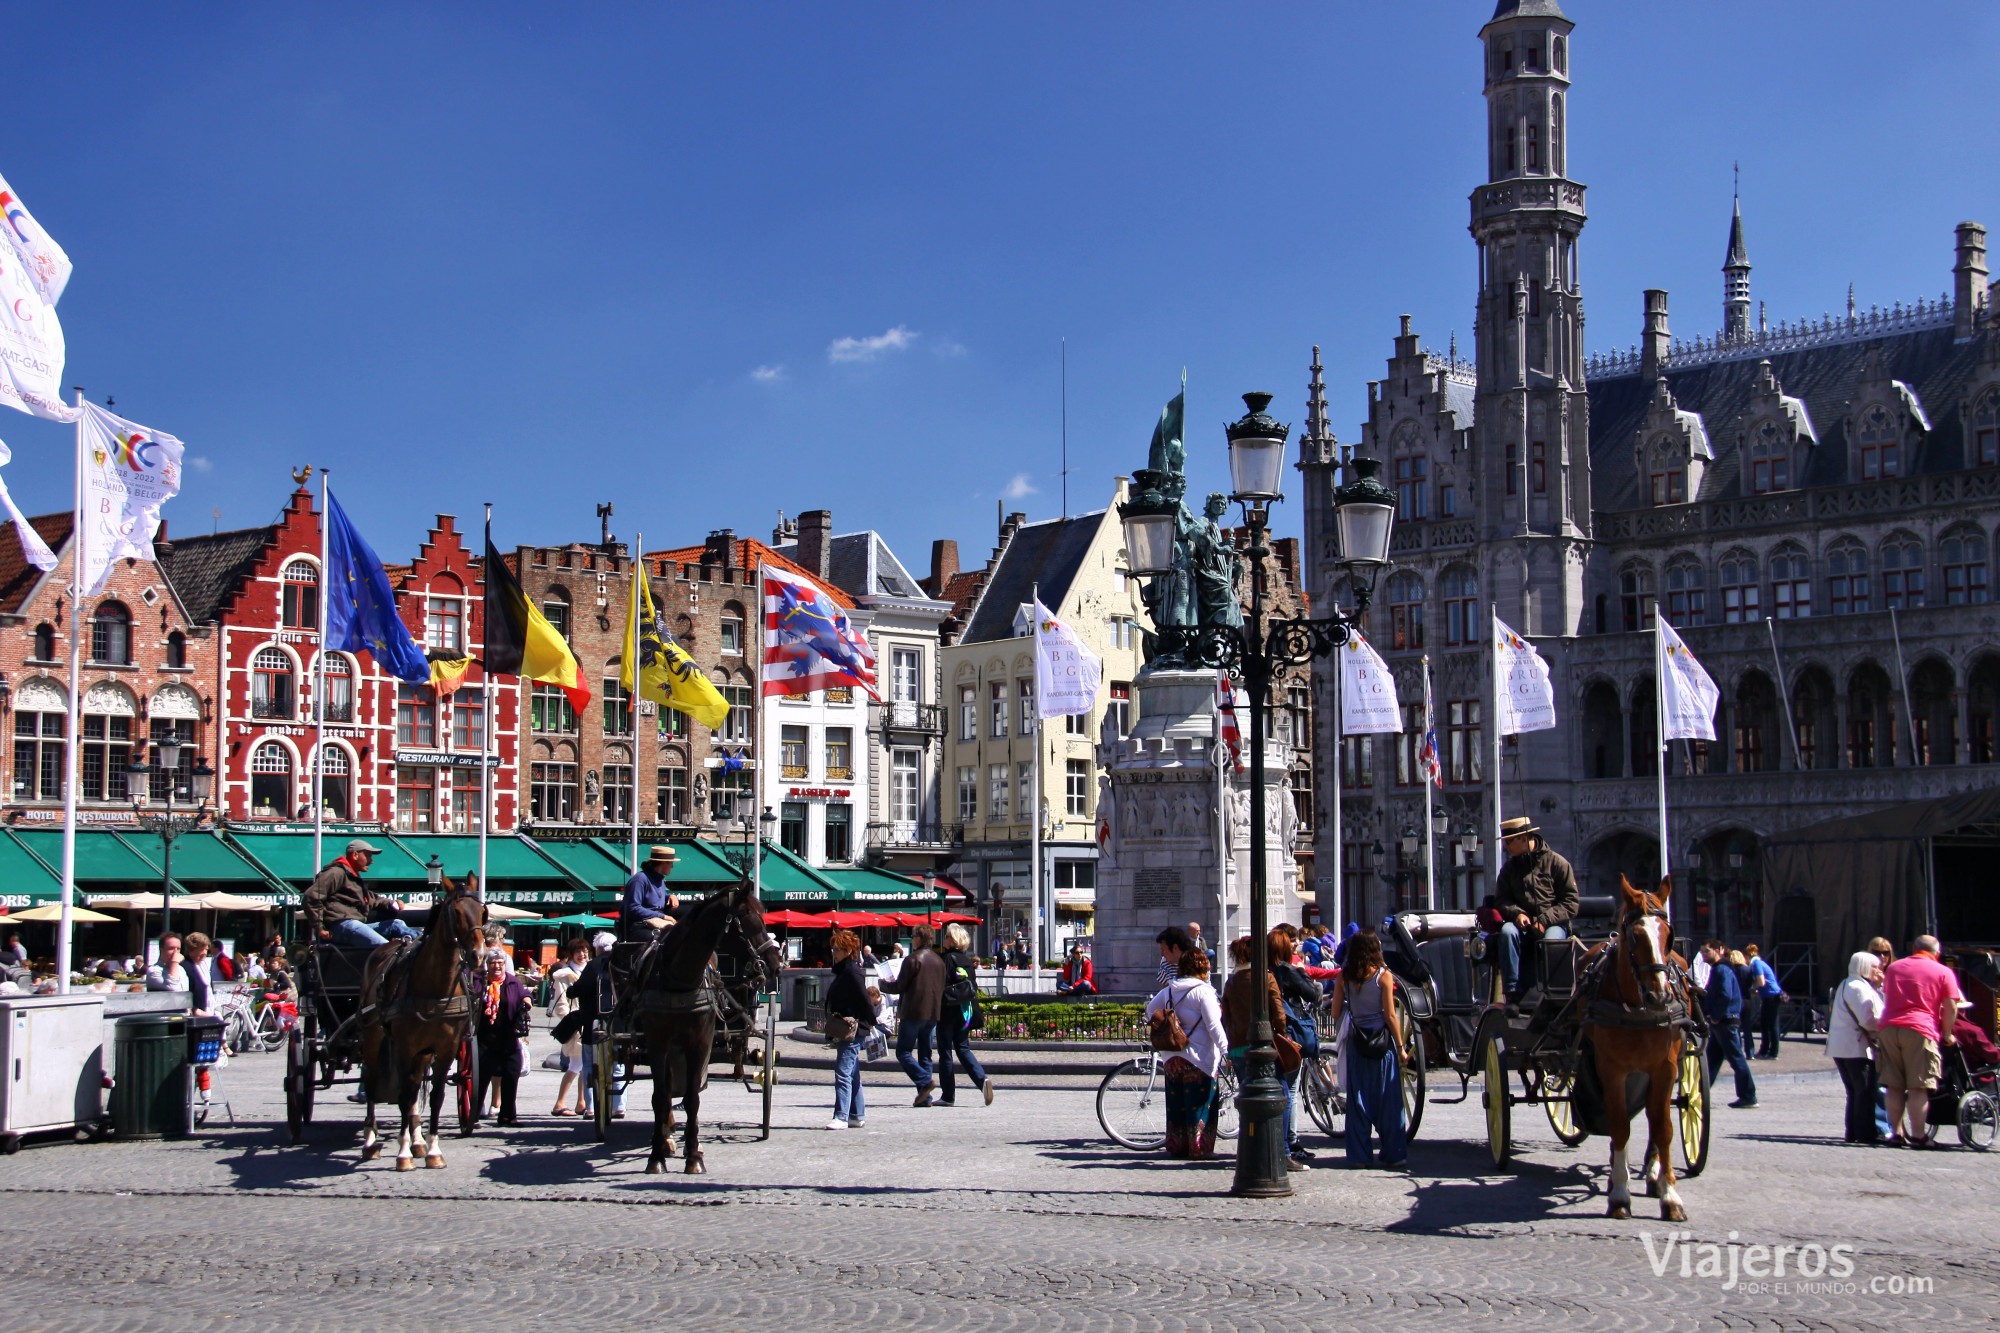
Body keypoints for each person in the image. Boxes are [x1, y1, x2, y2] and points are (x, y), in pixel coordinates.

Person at [1327, 928, 1408, 1168]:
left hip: (1357, 1041)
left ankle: (1360, 1155)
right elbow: (1391, 1016)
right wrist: (1401, 1046)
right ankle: (1394, 1152)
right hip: (1381, 1043)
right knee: (1388, 1100)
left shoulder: (1344, 976)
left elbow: (1334, 1012)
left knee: (1358, 1099)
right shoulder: (1384, 976)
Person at [1219, 935, 1299, 1171]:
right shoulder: (1266, 977)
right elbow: (1278, 1013)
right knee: (1280, 1096)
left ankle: (1251, 1147)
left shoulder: (1231, 982)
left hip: (1239, 1048)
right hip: (1265, 1047)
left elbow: (1227, 1017)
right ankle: (1281, 1151)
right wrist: (1281, 1036)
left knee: (1248, 1099)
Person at [1877, 934, 1963, 1148]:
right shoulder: (1943, 971)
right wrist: (1948, 1033)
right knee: (1918, 1086)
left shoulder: (1894, 968)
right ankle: (1918, 1136)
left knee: (1893, 1085)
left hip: (1888, 1028)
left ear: (1914, 948)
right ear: (1937, 953)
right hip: (1919, 1029)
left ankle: (1896, 1133)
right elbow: (1951, 1006)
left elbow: (1887, 996)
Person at [1145, 948, 1228, 1158]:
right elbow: (1214, 1026)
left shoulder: (1169, 991)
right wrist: (1226, 1050)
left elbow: (1150, 1011)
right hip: (1199, 1058)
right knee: (1200, 1105)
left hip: (1172, 1056)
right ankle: (1199, 1149)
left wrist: (1173, 1022)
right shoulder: (1203, 991)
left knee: (1176, 1105)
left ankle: (1177, 1146)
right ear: (1203, 969)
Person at [1492, 817, 1579, 1002]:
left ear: (1524, 838)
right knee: (1507, 932)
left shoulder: (1557, 863)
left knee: (1551, 942)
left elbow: (1570, 902)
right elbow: (1501, 899)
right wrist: (1517, 914)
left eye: (1509, 841)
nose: (1506, 846)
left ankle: (1553, 996)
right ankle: (1512, 991)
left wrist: (1544, 920)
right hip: (1522, 925)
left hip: (1553, 923)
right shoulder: (1508, 870)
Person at [1269, 924, 1322, 1168]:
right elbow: (1312, 994)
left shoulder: (1265, 970)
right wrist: (1302, 971)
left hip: (1272, 1036)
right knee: (1288, 1091)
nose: (1295, 944)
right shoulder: (1287, 971)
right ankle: (1287, 1145)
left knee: (1283, 1089)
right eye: (1290, 941)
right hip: (1289, 1036)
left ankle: (1287, 1142)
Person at [303, 839, 419, 947]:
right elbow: (310, 897)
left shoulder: (353, 877)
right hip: (341, 926)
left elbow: (370, 898)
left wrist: (391, 903)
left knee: (396, 924)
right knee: (386, 948)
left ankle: (424, 942)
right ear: (355, 855)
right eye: (368, 856)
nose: (371, 861)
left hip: (354, 925)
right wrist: (320, 928)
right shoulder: (336, 873)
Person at [880, 924, 945, 1106]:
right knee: (925, 1054)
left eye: (913, 935)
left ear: (919, 938)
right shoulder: (939, 961)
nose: (912, 938)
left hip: (913, 1012)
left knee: (903, 1052)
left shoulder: (912, 959)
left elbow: (900, 986)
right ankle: (926, 1097)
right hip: (932, 1013)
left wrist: (883, 984)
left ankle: (925, 1082)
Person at [1829, 949, 1886, 1145]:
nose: (1878, 970)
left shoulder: (1849, 983)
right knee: (1864, 1090)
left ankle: (1853, 1131)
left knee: (1855, 1091)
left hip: (1844, 1046)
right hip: (1855, 1047)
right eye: (1874, 967)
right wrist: (1887, 1024)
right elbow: (1868, 1020)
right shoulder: (1858, 988)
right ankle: (1864, 1132)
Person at [935, 924, 995, 1108]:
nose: (943, 939)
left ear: (952, 940)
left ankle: (948, 1095)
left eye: (946, 936)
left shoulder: (946, 959)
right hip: (965, 1011)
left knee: (945, 1051)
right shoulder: (967, 961)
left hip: (947, 1010)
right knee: (963, 1048)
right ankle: (981, 1079)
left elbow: (940, 985)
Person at [824, 929, 875, 1129]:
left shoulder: (851, 971)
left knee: (843, 1072)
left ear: (847, 951)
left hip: (852, 1028)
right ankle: (856, 1114)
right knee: (852, 1073)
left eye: (837, 949)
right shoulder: (845, 971)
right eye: (833, 948)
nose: (834, 953)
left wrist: (870, 1022)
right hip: (850, 1027)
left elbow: (865, 1000)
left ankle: (842, 1116)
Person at [475, 950, 531, 1127]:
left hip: (508, 1036)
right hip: (485, 1037)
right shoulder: (479, 982)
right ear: (487, 964)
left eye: (500, 962)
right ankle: (473, 1114)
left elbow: (524, 993)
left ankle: (508, 1115)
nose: (497, 966)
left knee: (512, 1072)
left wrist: (527, 1000)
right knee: (482, 1076)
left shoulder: (512, 981)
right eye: (493, 962)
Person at [1700, 940, 1757, 1108]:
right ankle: (1700, 1092)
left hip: (1726, 1020)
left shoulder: (1722, 969)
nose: (1704, 954)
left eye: (1707, 951)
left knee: (1736, 1059)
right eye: (1702, 951)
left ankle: (1748, 1095)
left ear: (1719, 950)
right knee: (1712, 1058)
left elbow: (1725, 994)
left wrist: (1716, 1015)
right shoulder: (1719, 969)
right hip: (1721, 1021)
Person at [575, 932, 625, 1120]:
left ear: (597, 949)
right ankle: (619, 1106)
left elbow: (578, 989)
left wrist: (572, 990)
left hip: (593, 1024)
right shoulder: (621, 964)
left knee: (589, 1064)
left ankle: (591, 1107)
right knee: (619, 1064)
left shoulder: (592, 965)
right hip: (618, 1024)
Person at [547, 938, 590, 1116]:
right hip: (575, 1023)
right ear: (571, 954)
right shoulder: (565, 975)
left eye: (585, 951)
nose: (582, 954)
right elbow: (561, 1003)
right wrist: (570, 1020)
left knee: (584, 1065)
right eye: (578, 951)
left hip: (587, 1021)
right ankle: (560, 1103)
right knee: (575, 1065)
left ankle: (581, 1102)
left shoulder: (590, 970)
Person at [620, 845, 681, 943]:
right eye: (671, 863)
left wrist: (670, 896)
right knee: (664, 941)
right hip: (638, 927)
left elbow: (654, 899)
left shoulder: (660, 880)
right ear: (663, 863)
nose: (672, 866)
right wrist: (663, 916)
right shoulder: (640, 879)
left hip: (656, 923)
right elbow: (633, 908)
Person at [1744, 942, 1787, 1058]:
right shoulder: (1759, 963)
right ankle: (1764, 1050)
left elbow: (1761, 982)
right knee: (1765, 1024)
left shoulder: (1756, 964)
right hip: (1768, 995)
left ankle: (1773, 1052)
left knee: (1771, 1024)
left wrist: (1754, 987)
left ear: (1748, 956)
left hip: (1772, 996)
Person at [1154, 925, 1194, 990]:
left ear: (1175, 948)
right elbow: (1164, 992)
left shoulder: (1198, 962)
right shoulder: (1165, 963)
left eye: (1163, 950)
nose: (1162, 954)